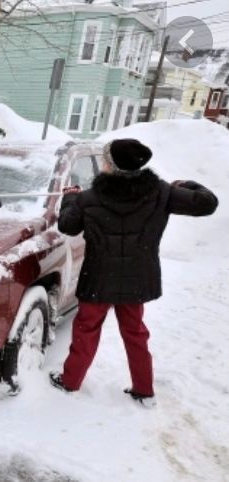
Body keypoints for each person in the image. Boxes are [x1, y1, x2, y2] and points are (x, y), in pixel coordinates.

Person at [49, 138, 218, 407]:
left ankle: (70, 381)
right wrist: (185, 185)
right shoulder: (162, 193)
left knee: (87, 329)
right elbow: (208, 203)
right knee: (135, 332)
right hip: (137, 280)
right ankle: (143, 389)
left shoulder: (88, 198)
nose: (102, 163)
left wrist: (70, 198)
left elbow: (68, 226)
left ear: (112, 165)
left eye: (106, 159)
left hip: (98, 279)